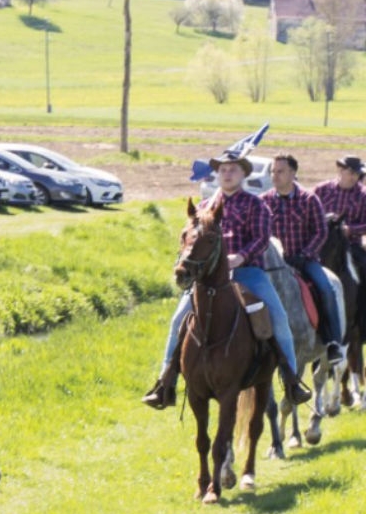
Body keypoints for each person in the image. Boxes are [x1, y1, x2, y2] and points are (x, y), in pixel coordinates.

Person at [142, 149, 312, 409]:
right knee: (179, 318)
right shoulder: (202, 208)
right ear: (218, 175)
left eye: (233, 169)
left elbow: (262, 239)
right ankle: (165, 383)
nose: (227, 174)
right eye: (223, 170)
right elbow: (188, 239)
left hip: (250, 272)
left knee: (278, 318)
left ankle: (291, 381)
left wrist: (240, 258)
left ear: (243, 173)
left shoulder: (257, 204)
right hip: (209, 278)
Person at [263, 153, 345, 366]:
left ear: (292, 173)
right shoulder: (264, 201)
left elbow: (320, 232)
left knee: (326, 288)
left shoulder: (309, 199)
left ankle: (332, 342)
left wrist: (305, 255)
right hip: (273, 264)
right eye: (273, 171)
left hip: (304, 260)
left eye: (280, 171)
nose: (275, 175)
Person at [316, 155, 366, 282]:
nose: (354, 177)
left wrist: (350, 230)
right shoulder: (322, 190)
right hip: (321, 244)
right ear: (340, 170)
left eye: (357, 174)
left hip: (351, 245)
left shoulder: (363, 195)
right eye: (351, 173)